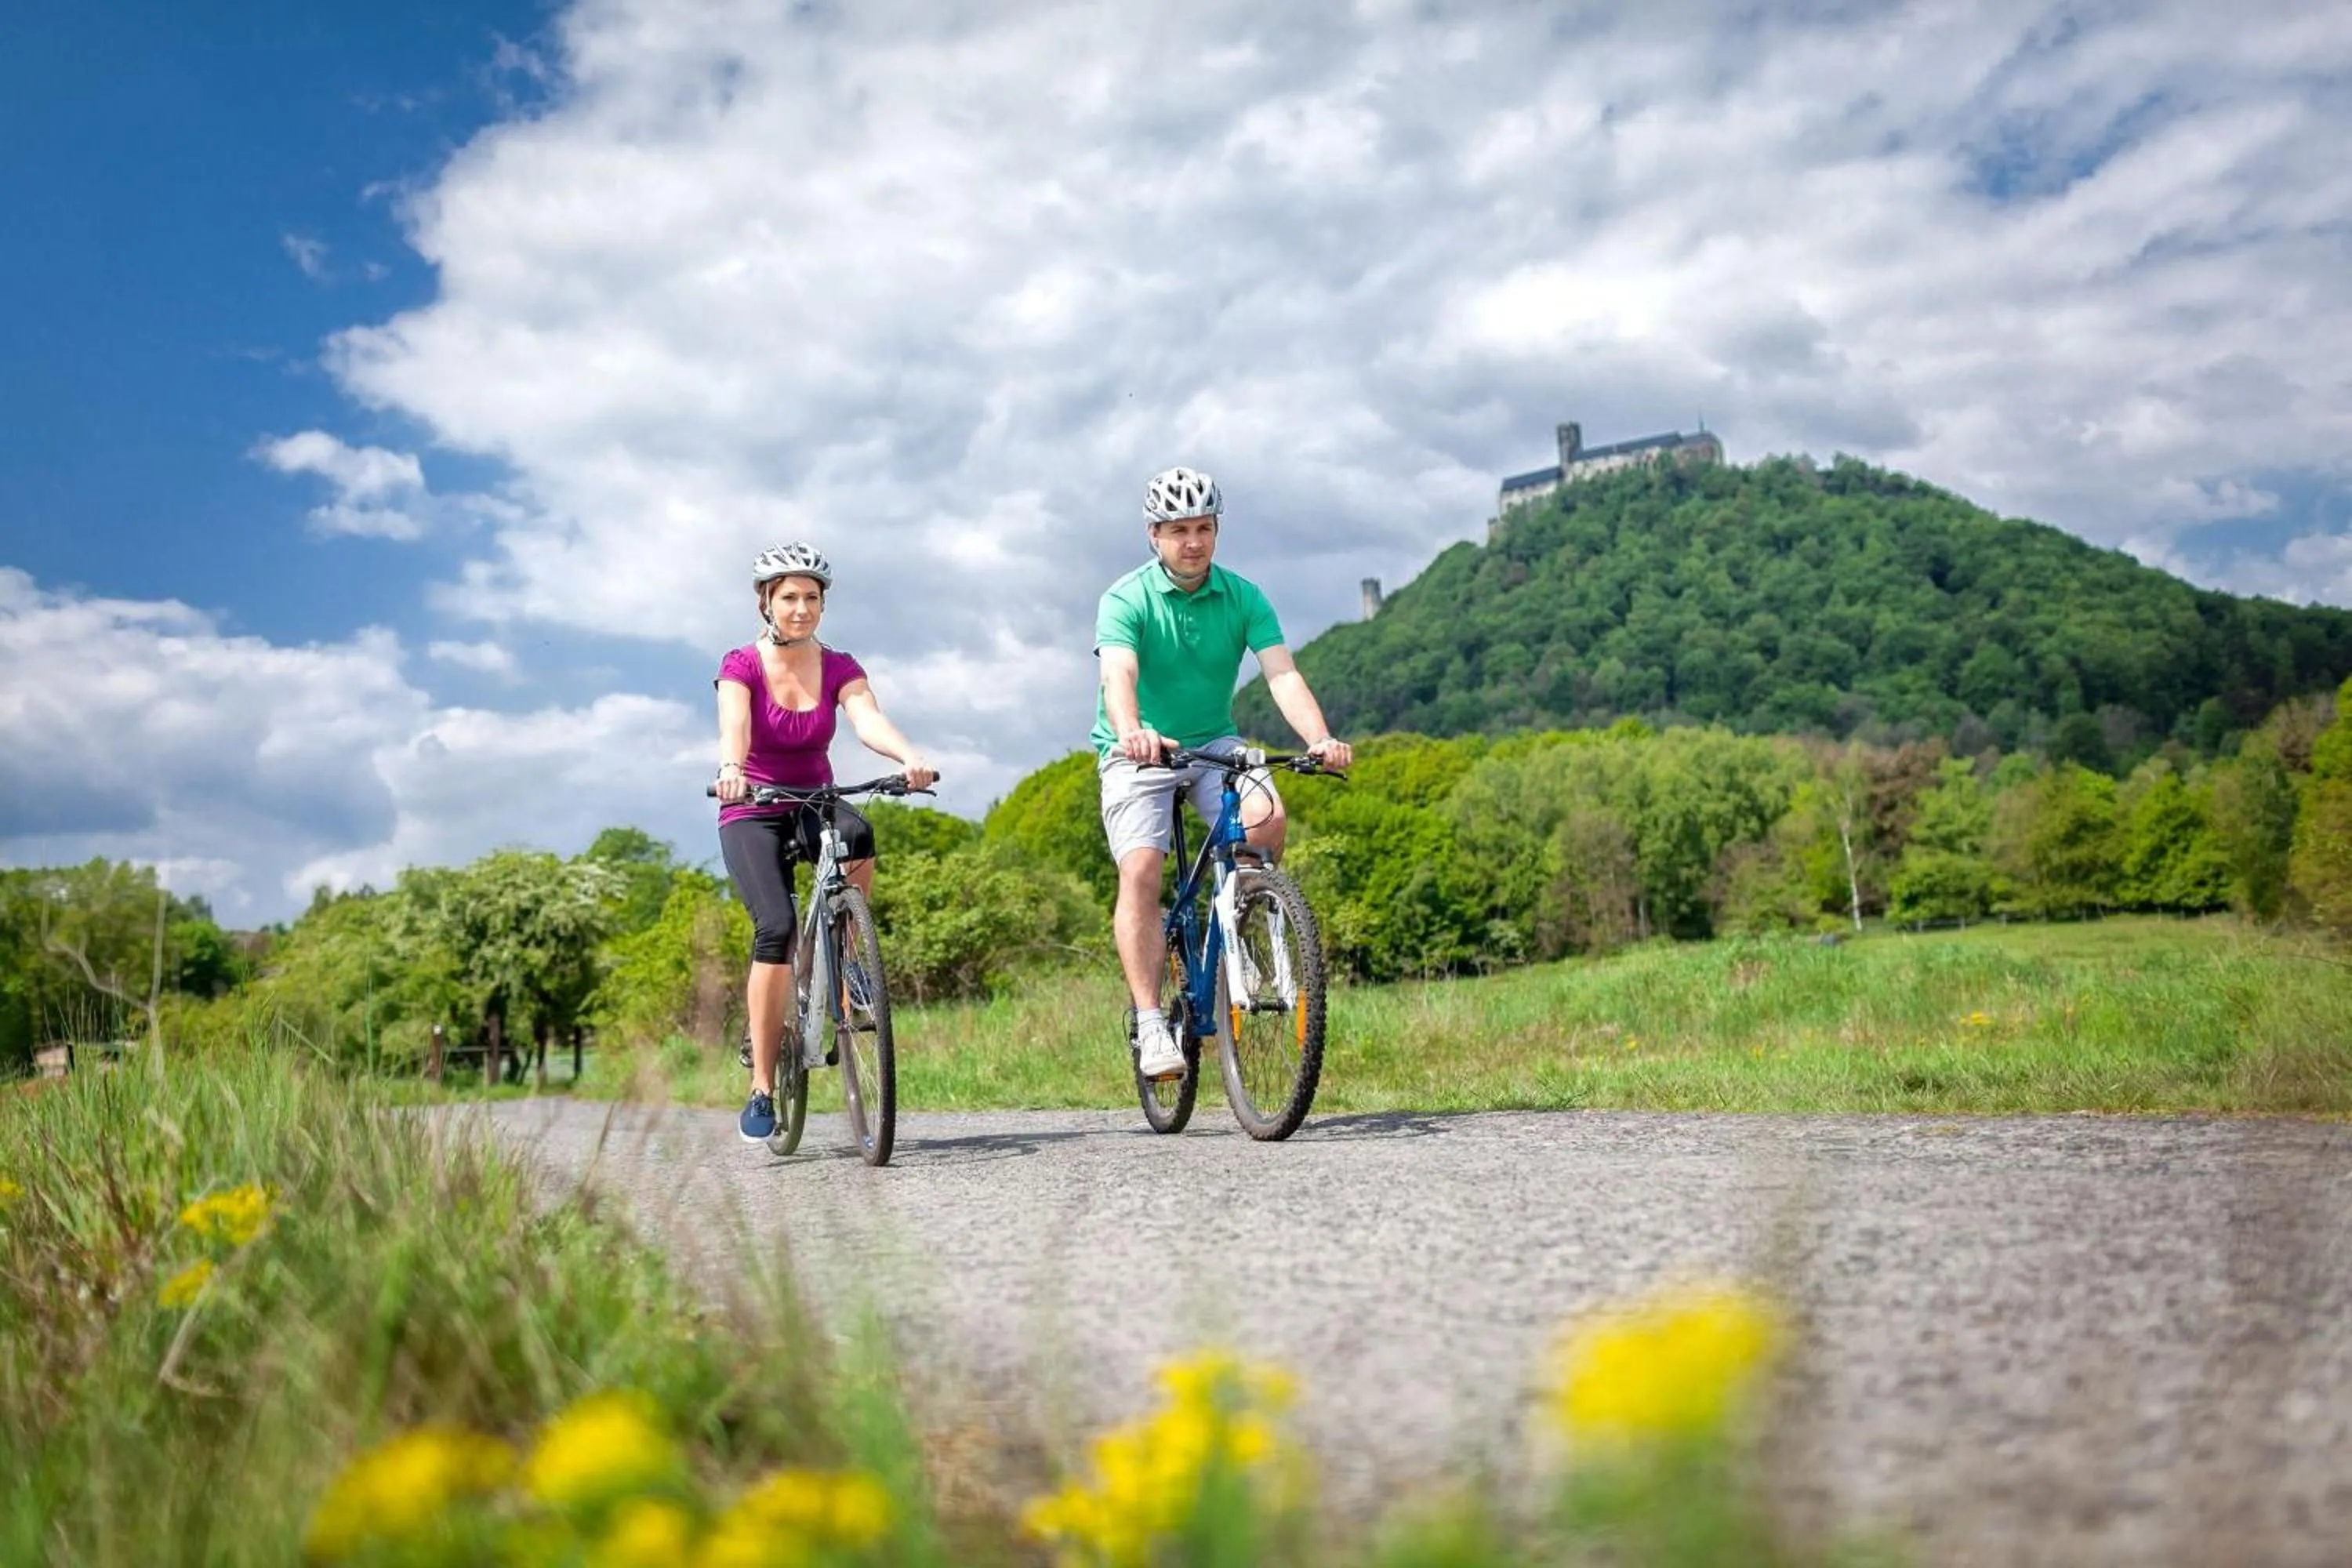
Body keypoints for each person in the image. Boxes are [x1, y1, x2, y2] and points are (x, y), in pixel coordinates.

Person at [1093, 466, 1353, 1082]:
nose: (1193, 542)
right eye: (1178, 530)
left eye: (1203, 528)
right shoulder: (1125, 598)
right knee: (1143, 869)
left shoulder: (1244, 597)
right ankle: (1153, 1020)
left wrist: (1318, 739)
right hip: (1140, 747)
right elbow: (1118, 676)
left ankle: (1243, 924)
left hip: (1215, 742)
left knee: (1267, 818)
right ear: (1154, 535)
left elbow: (1282, 675)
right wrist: (1133, 730)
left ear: (1216, 530)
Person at [714, 543, 936, 1142]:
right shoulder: (741, 664)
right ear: (766, 601)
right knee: (777, 928)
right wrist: (733, 766)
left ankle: (842, 959)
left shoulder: (838, 665)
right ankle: (762, 1085)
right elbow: (734, 723)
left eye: (812, 598)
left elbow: (867, 718)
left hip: (813, 799)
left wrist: (909, 756)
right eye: (789, 597)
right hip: (753, 808)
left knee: (859, 833)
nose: (802, 608)